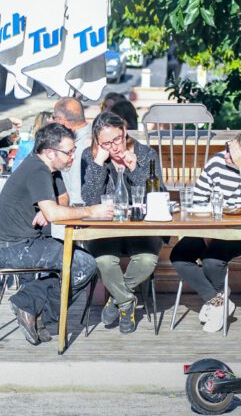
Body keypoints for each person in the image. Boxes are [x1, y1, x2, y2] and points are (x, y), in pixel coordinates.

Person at [0, 123, 113, 345]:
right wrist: (91, 211)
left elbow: (62, 201)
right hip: (12, 249)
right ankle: (29, 304)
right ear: (49, 152)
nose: (73, 157)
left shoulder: (50, 170)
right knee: (84, 265)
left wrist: (49, 212)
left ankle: (36, 312)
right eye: (68, 152)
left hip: (26, 243)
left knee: (80, 263)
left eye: (73, 150)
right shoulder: (37, 170)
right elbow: (57, 211)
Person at [170, 130, 241, 333]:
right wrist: (209, 229)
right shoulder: (217, 161)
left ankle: (216, 302)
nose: (225, 154)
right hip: (210, 226)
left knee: (211, 260)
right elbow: (199, 198)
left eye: (232, 153)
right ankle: (218, 300)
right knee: (179, 255)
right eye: (227, 148)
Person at [80, 111, 163, 333]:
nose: (114, 147)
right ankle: (126, 303)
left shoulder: (146, 154)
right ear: (97, 141)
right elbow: (89, 200)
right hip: (105, 230)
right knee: (105, 261)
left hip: (141, 229)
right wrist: (98, 165)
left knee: (147, 260)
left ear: (125, 132)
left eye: (117, 139)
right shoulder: (90, 157)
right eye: (106, 143)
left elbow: (158, 197)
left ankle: (116, 300)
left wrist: (136, 170)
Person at [52, 97, 90, 203]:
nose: (51, 121)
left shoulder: (72, 148)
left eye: (53, 117)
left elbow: (76, 197)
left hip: (78, 213)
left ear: (61, 122)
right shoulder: (97, 134)